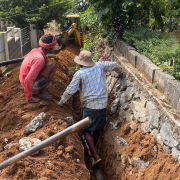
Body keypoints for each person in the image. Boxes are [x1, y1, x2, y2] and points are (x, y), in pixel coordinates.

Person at [55, 50, 122, 166]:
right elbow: (115, 65)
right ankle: (93, 149)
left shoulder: (80, 74)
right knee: (96, 129)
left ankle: (95, 155)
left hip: (90, 106)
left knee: (86, 130)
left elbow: (71, 90)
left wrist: (60, 103)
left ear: (80, 63)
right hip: (102, 105)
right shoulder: (100, 66)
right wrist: (119, 72)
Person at [19, 34, 57, 103]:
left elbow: (46, 62)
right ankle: (42, 92)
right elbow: (28, 79)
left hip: (23, 84)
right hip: (29, 86)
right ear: (51, 49)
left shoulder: (35, 50)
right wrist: (29, 98)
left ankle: (40, 89)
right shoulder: (40, 59)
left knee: (48, 63)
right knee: (52, 65)